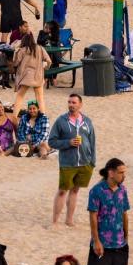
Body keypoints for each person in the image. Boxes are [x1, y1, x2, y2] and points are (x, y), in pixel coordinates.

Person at [85, 158, 129, 265]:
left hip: (119, 243)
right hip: (102, 243)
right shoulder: (96, 191)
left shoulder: (123, 190)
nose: (124, 175)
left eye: (124, 172)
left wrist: (126, 235)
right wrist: (96, 240)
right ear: (111, 172)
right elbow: (93, 217)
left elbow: (124, 213)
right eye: (121, 172)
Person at [49, 94, 96, 228]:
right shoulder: (61, 121)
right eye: (69, 102)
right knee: (62, 191)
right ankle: (55, 221)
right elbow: (51, 141)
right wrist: (68, 142)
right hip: (67, 163)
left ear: (80, 105)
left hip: (85, 163)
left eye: (74, 102)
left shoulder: (87, 121)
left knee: (75, 191)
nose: (71, 105)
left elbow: (92, 142)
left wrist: (92, 162)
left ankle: (69, 220)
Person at [11, 32, 50, 114]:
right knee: (40, 98)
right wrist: (46, 67)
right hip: (38, 76)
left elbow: (15, 63)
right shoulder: (40, 48)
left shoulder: (22, 50)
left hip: (26, 77)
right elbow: (49, 61)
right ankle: (43, 116)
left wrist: (16, 51)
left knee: (20, 97)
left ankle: (14, 116)